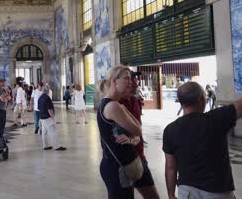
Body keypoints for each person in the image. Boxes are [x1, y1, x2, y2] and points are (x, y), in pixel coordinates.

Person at [163, 81, 242, 199]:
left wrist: (170, 194)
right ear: (201, 99)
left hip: (187, 192)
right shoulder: (216, 119)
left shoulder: (170, 130)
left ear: (181, 102)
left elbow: (171, 167)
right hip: (217, 191)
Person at [97, 65, 143, 198]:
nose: (130, 82)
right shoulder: (113, 106)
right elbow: (138, 129)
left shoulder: (114, 103)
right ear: (114, 81)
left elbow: (136, 134)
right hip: (116, 167)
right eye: (126, 78)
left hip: (117, 164)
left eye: (130, 78)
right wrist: (124, 109)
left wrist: (132, 139)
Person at [119, 71, 159, 199]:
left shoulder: (134, 100)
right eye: (131, 80)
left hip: (139, 157)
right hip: (123, 161)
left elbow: (137, 126)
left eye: (135, 79)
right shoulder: (116, 104)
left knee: (152, 196)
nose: (135, 83)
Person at [38, 86, 66, 151]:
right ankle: (57, 146)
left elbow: (39, 108)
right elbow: (49, 109)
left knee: (44, 132)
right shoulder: (47, 98)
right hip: (47, 118)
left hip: (41, 117)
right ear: (48, 91)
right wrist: (52, 117)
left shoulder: (40, 98)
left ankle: (45, 146)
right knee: (53, 132)